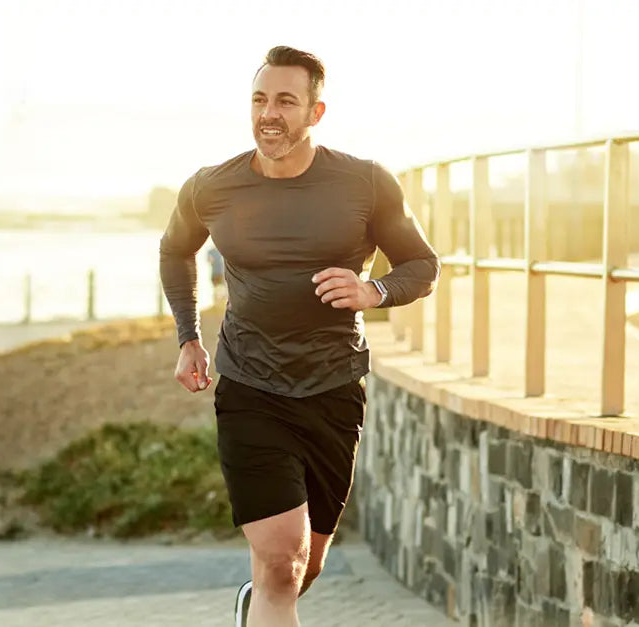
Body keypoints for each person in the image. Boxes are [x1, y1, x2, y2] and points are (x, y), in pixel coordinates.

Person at [157, 45, 439, 626]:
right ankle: (264, 597)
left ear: (317, 112)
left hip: (334, 390)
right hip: (250, 388)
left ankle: (251, 605)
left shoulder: (365, 183)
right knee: (282, 563)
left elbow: (422, 264)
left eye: (286, 101)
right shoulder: (212, 186)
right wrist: (189, 336)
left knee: (303, 566)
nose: (269, 113)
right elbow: (174, 250)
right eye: (260, 99)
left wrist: (375, 292)